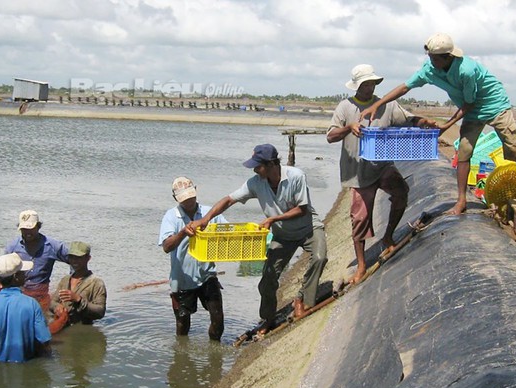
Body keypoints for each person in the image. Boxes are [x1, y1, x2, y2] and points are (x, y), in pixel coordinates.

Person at [360, 33, 516, 215]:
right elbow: (405, 87)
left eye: (433, 57)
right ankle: (461, 200)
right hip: (472, 110)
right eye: (428, 56)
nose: (429, 61)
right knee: (464, 152)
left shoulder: (466, 70)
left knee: (515, 149)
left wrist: (447, 125)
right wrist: (377, 104)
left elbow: (470, 102)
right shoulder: (429, 69)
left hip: (494, 105)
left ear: (447, 57)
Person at [187, 145, 328, 333]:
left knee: (320, 257)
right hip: (283, 235)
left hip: (308, 228)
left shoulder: (296, 176)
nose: (254, 170)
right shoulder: (256, 183)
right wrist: (205, 220)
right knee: (268, 279)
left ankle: (302, 298)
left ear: (271, 164)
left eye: (257, 166)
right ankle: (268, 318)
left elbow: (302, 209)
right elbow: (229, 200)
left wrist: (273, 218)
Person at [327, 64, 437, 285]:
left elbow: (408, 119)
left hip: (383, 165)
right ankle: (361, 265)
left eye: (371, 84)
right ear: (356, 86)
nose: (369, 88)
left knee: (401, 192)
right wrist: (349, 127)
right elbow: (330, 136)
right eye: (364, 84)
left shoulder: (387, 106)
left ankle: (388, 235)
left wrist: (422, 122)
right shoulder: (345, 107)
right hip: (358, 172)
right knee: (360, 219)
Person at [159, 177, 227, 340]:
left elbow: (226, 232)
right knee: (183, 324)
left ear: (196, 191)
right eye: (184, 199)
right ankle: (182, 357)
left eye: (191, 196)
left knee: (218, 320)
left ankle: (214, 350)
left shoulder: (209, 213)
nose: (189, 201)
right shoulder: (171, 217)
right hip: (182, 279)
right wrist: (183, 232)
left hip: (207, 274)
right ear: (176, 198)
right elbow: (167, 247)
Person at [0, 253, 52, 362]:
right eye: (22, 273)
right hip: (25, 365)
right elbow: (45, 341)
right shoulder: (31, 304)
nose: (25, 275)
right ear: (16, 277)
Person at [4, 210, 69, 294]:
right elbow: (4, 272)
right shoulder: (12, 248)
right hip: (18, 292)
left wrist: (70, 284)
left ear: (38, 226)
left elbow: (75, 260)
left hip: (41, 293)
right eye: (24, 229)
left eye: (30, 229)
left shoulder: (52, 246)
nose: (27, 232)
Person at [50, 241, 107, 326]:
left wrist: (79, 300)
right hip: (64, 325)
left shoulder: (96, 283)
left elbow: (100, 311)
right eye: (71, 257)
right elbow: (52, 302)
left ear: (88, 258)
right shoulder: (65, 280)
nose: (74, 261)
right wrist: (57, 307)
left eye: (78, 257)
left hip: (84, 327)